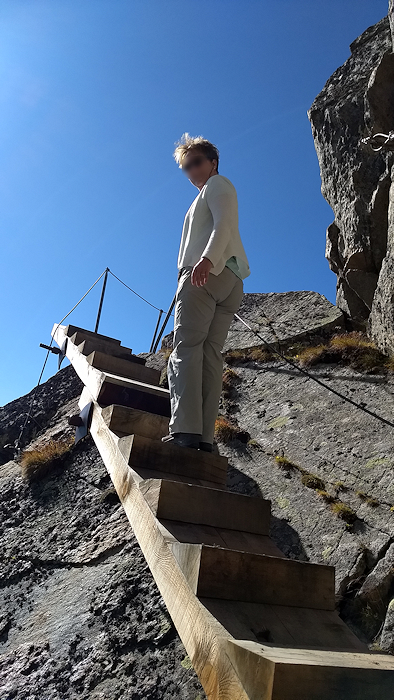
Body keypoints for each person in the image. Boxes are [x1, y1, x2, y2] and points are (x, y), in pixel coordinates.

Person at [162, 133, 250, 452]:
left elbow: (223, 223)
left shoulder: (217, 185)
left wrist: (207, 259)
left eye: (197, 162)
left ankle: (184, 430)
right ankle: (204, 438)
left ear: (212, 162)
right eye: (186, 167)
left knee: (185, 349)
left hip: (205, 273)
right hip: (230, 280)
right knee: (209, 355)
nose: (192, 170)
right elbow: (225, 224)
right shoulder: (215, 189)